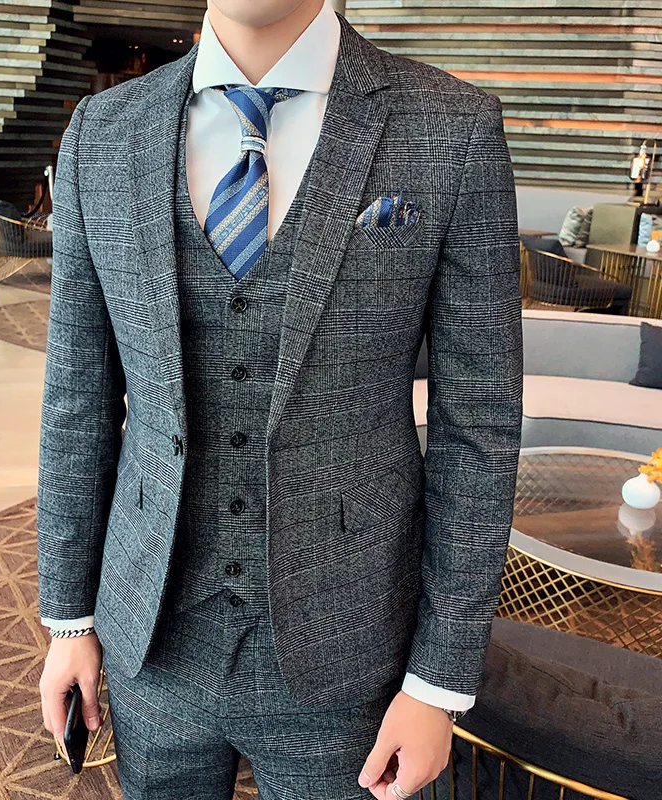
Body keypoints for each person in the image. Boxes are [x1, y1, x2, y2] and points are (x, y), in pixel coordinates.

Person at [37, 0, 523, 798]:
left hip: (352, 651)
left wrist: (438, 680)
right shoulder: (102, 133)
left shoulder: (453, 128)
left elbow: (478, 425)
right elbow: (76, 403)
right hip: (149, 642)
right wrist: (69, 618)